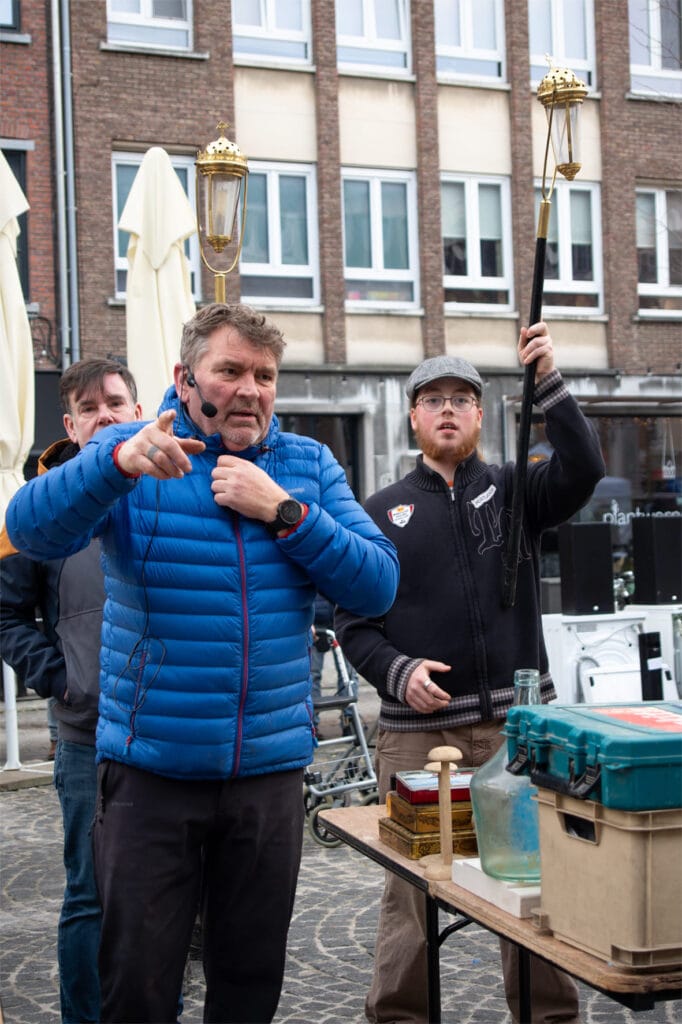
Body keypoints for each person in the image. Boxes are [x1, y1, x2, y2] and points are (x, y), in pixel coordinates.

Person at [6, 301, 399, 1024]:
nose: (251, 389)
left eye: (266, 375)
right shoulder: (136, 446)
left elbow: (379, 582)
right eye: (231, 371)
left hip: (270, 776)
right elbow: (27, 526)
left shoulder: (307, 465)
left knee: (249, 983)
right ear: (186, 379)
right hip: (151, 774)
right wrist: (115, 465)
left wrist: (286, 513)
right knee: (138, 985)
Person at [335, 322, 605, 1024]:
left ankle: (547, 1015)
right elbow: (354, 626)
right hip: (422, 738)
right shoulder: (378, 515)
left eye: (462, 397)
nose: (448, 408)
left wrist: (547, 378)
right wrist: (396, 672)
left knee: (535, 880)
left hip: (521, 728)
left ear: (483, 414)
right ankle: (400, 1016)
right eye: (434, 398)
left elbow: (584, 466)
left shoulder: (519, 491)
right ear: (415, 416)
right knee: (411, 891)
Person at [0, 358, 142, 1024]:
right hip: (86, 735)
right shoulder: (39, 505)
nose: (105, 414)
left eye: (116, 401)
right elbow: (4, 613)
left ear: (138, 408)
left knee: (158, 897)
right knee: (89, 895)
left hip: (164, 732)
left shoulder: (167, 488)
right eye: (89, 407)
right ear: (70, 423)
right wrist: (59, 677)